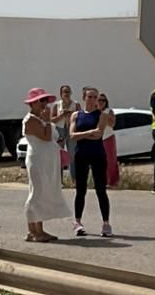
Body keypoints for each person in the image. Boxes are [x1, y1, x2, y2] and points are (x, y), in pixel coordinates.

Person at [22, 88, 69, 242]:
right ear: (33, 103)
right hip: (37, 160)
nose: (44, 104)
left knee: (42, 193)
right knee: (36, 193)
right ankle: (33, 230)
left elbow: (52, 137)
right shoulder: (30, 120)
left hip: (46, 160)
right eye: (41, 101)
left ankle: (38, 229)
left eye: (45, 100)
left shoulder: (40, 119)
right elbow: (46, 137)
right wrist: (49, 120)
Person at [67, 86, 113, 238]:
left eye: (96, 98)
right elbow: (72, 135)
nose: (94, 100)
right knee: (81, 190)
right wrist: (88, 133)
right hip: (81, 155)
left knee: (101, 189)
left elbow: (98, 135)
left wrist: (85, 135)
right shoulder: (76, 115)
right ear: (84, 98)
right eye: (90, 97)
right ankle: (77, 222)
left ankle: (106, 223)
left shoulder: (102, 115)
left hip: (97, 154)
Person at [52, 84, 76, 179]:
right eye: (64, 92)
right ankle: (59, 179)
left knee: (72, 154)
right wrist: (61, 115)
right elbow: (51, 119)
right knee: (59, 154)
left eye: (68, 91)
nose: (66, 94)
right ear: (61, 93)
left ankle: (74, 179)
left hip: (71, 129)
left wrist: (71, 115)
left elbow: (80, 117)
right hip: (60, 130)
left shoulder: (75, 104)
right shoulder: (56, 105)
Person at [98, 93, 120, 187]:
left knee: (110, 160)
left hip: (108, 137)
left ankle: (111, 181)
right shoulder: (93, 111)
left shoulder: (108, 111)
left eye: (103, 100)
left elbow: (112, 124)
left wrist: (103, 116)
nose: (101, 102)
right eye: (99, 100)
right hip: (97, 138)